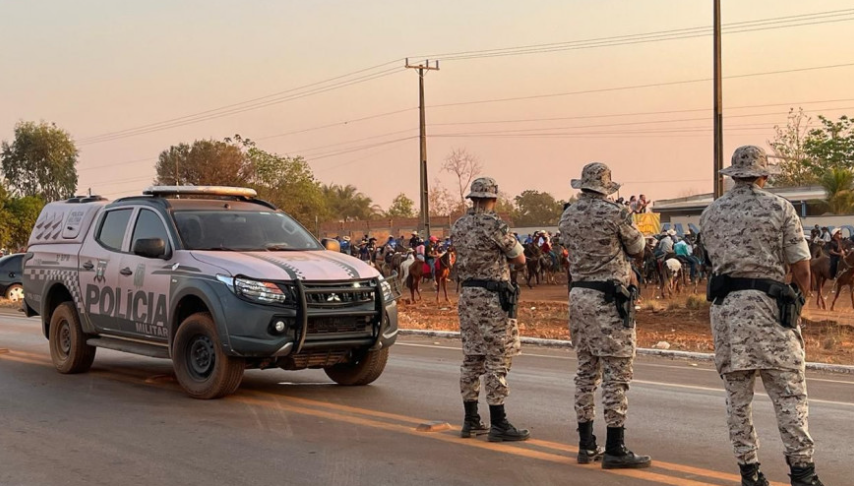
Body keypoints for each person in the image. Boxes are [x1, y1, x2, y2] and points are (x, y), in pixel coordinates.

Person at [700, 145, 824, 486]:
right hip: (770, 313)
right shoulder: (779, 207)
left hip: (727, 313)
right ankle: (802, 473)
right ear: (763, 175)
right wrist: (800, 300)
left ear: (733, 176)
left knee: (737, 401)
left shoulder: (710, 213)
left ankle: (749, 473)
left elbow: (713, 260)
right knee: (789, 395)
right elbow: (801, 266)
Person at [559, 162, 651, 469]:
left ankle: (586, 444)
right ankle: (615, 446)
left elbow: (568, 248)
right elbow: (638, 248)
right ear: (607, 188)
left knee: (586, 371)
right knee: (616, 372)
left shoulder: (568, 214)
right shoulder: (616, 213)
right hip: (609, 298)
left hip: (579, 296)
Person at [451, 177, 529, 442]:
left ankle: (471, 420)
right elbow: (519, 257)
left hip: (468, 295)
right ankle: (499, 422)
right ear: (493, 199)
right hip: (492, 296)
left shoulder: (459, 225)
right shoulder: (494, 224)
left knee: (472, 358)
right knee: (497, 358)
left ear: (473, 198)